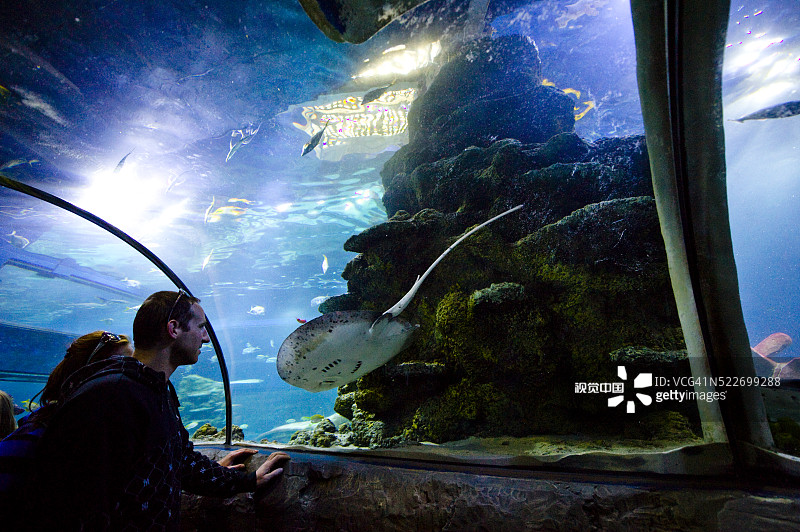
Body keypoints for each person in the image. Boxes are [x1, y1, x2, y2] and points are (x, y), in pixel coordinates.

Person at [25, 290, 290, 530]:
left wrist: (247, 481)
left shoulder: (157, 390)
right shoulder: (113, 394)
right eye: (200, 327)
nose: (206, 338)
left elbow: (181, 460)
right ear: (173, 328)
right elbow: (75, 499)